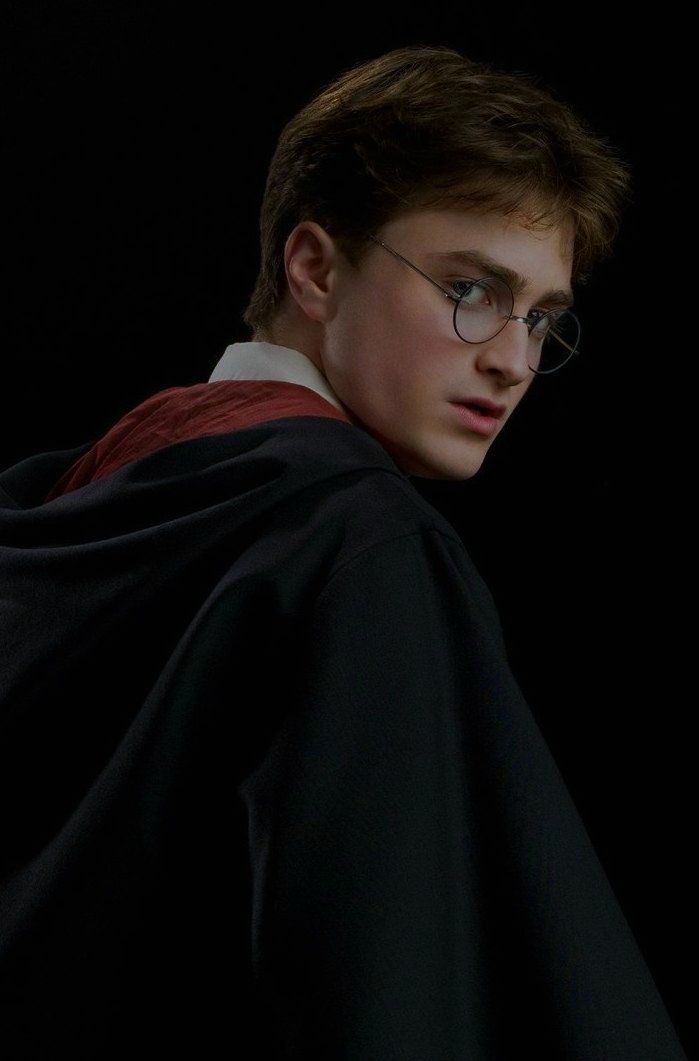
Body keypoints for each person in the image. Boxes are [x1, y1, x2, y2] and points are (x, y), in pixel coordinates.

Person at [0, 45, 686, 1060]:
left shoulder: (75, 498)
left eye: (541, 318)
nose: (512, 359)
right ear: (316, 269)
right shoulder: (354, 541)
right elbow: (384, 980)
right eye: (471, 287)